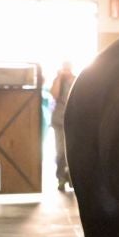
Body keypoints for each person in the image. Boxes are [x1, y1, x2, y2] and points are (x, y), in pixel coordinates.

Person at [48, 60, 75, 191]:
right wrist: (58, 78)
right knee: (60, 151)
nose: (66, 70)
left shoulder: (77, 80)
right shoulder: (58, 81)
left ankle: (72, 177)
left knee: (73, 150)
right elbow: (54, 94)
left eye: (68, 67)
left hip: (75, 120)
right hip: (59, 120)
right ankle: (61, 178)